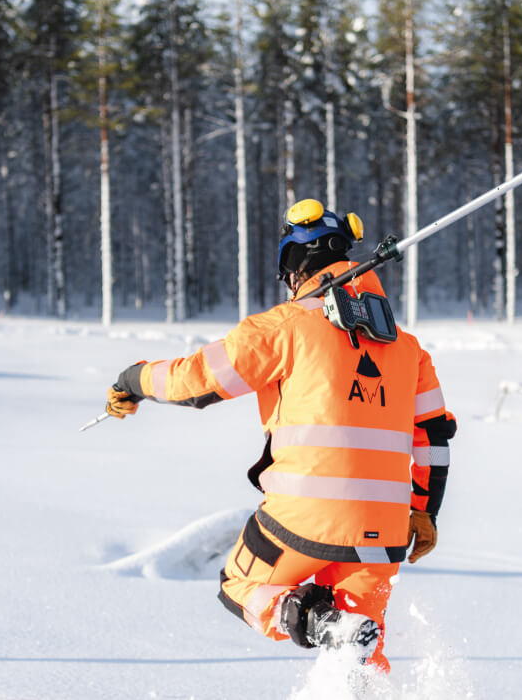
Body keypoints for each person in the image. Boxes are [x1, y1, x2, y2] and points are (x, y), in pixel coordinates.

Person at [104, 198, 455, 674]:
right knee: (357, 657)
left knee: (239, 586)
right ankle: (347, 647)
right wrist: (423, 511)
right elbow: (433, 437)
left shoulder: (284, 328)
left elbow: (195, 382)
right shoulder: (410, 349)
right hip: (384, 533)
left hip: (302, 519)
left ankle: (315, 621)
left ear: (296, 265)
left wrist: (132, 379)